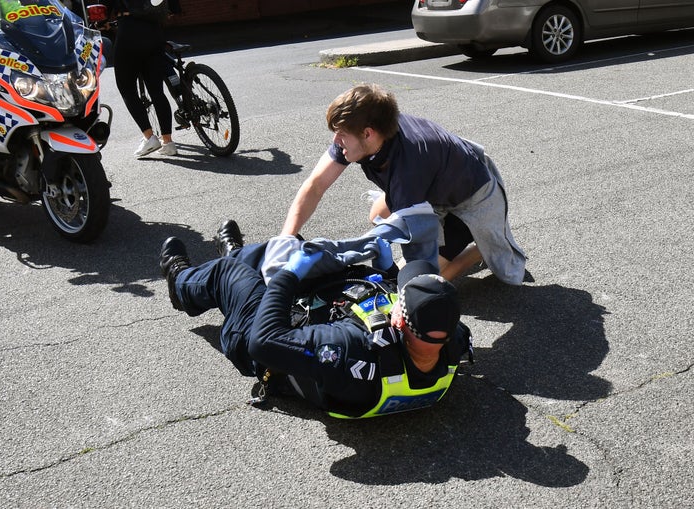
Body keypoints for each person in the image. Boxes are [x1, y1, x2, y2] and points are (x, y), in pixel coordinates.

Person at [158, 220, 473, 419]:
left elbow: (264, 341)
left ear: (399, 322)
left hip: (270, 344)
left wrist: (290, 274)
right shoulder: (451, 340)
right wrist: (388, 271)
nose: (397, 290)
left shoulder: (346, 350)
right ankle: (238, 254)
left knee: (233, 275)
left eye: (400, 296)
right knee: (300, 245)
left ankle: (181, 281)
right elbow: (423, 313)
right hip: (327, 309)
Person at [280, 83, 527, 285]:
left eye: (342, 134)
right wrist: (286, 238)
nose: (336, 141)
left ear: (368, 133)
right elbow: (315, 185)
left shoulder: (410, 166)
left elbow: (420, 252)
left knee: (417, 282)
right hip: (430, 188)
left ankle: (478, 249)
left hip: (471, 196)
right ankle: (460, 246)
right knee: (377, 215)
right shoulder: (366, 134)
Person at [109, 0, 181, 158]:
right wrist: (173, 9)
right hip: (154, 30)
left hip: (128, 30)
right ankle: (168, 142)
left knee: (126, 88)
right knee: (156, 90)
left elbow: (104, 6)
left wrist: (101, 20)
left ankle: (149, 137)